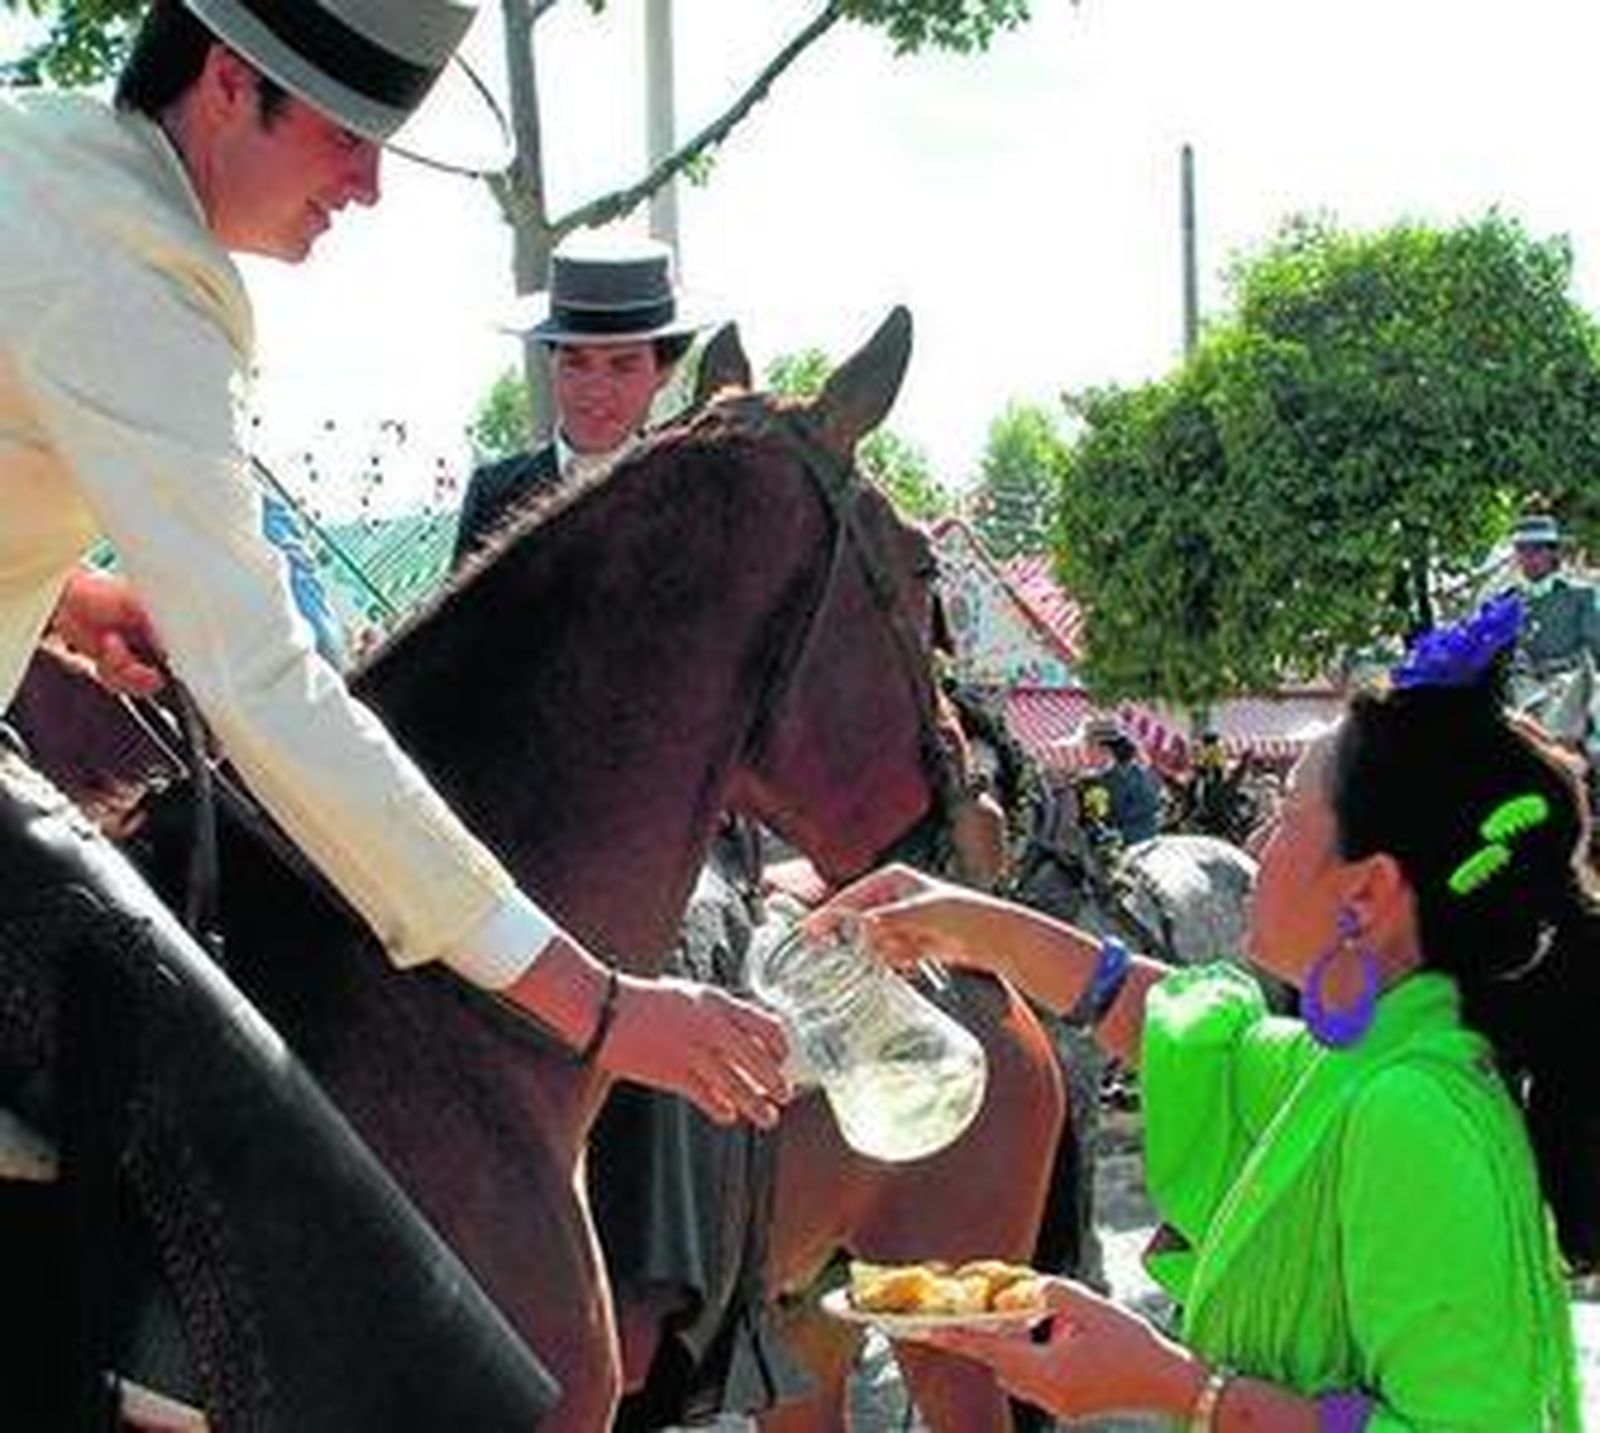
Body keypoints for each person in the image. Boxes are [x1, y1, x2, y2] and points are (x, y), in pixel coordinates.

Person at [3, 0, 788, 1125]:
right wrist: (600, 1009)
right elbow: (268, 686)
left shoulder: (42, 155)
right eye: (347, 136)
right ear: (230, 82)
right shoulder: (132, 275)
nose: (368, 186)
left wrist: (66, 597)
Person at [812, 595, 1590, 1429]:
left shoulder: (1413, 1112)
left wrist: (1175, 1385)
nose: (1254, 844)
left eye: (1286, 814)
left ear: (1367, 891)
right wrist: (974, 924)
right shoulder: (1372, 1064)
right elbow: (1194, 1037)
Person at [451, 238, 700, 566]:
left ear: (663, 372)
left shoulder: (690, 497)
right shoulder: (495, 495)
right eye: (575, 363)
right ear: (551, 362)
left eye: (622, 366)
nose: (595, 389)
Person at [1079, 716, 1164, 846]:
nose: (1084, 753)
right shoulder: (1102, 777)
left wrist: (1116, 833)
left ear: (1105, 750)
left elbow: (1147, 815)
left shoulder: (1135, 777)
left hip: (1136, 844)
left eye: (1087, 746)